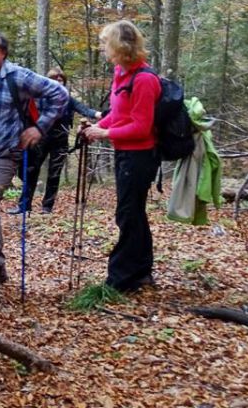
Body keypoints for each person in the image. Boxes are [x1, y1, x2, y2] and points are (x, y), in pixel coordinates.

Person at [0, 28, 68, 302]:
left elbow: (59, 95)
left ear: (3, 52)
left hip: (5, 153)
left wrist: (39, 128)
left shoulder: (17, 76)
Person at [84, 20, 161, 293]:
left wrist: (104, 134)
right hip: (125, 153)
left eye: (106, 43)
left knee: (128, 214)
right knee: (133, 214)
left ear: (119, 45)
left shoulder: (144, 80)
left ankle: (123, 277)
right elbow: (119, 114)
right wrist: (98, 125)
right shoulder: (122, 74)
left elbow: (141, 126)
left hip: (139, 157)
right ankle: (141, 271)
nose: (103, 48)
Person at [11, 67, 102, 215]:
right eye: (55, 79)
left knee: (54, 173)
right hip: (40, 137)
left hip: (60, 138)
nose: (58, 82)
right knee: (31, 171)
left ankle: (47, 207)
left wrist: (99, 114)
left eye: (61, 80)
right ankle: (24, 205)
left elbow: (82, 108)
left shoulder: (67, 98)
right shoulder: (39, 97)